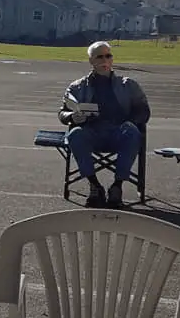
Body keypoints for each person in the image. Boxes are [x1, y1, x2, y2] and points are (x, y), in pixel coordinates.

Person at [58, 41, 151, 208]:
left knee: (132, 131)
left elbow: (144, 112)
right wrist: (72, 116)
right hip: (91, 133)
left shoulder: (128, 85)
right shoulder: (77, 87)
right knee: (75, 134)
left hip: (119, 133)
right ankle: (94, 185)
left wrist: (131, 121)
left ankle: (117, 186)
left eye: (108, 56)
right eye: (99, 57)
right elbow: (62, 113)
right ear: (91, 61)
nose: (105, 60)